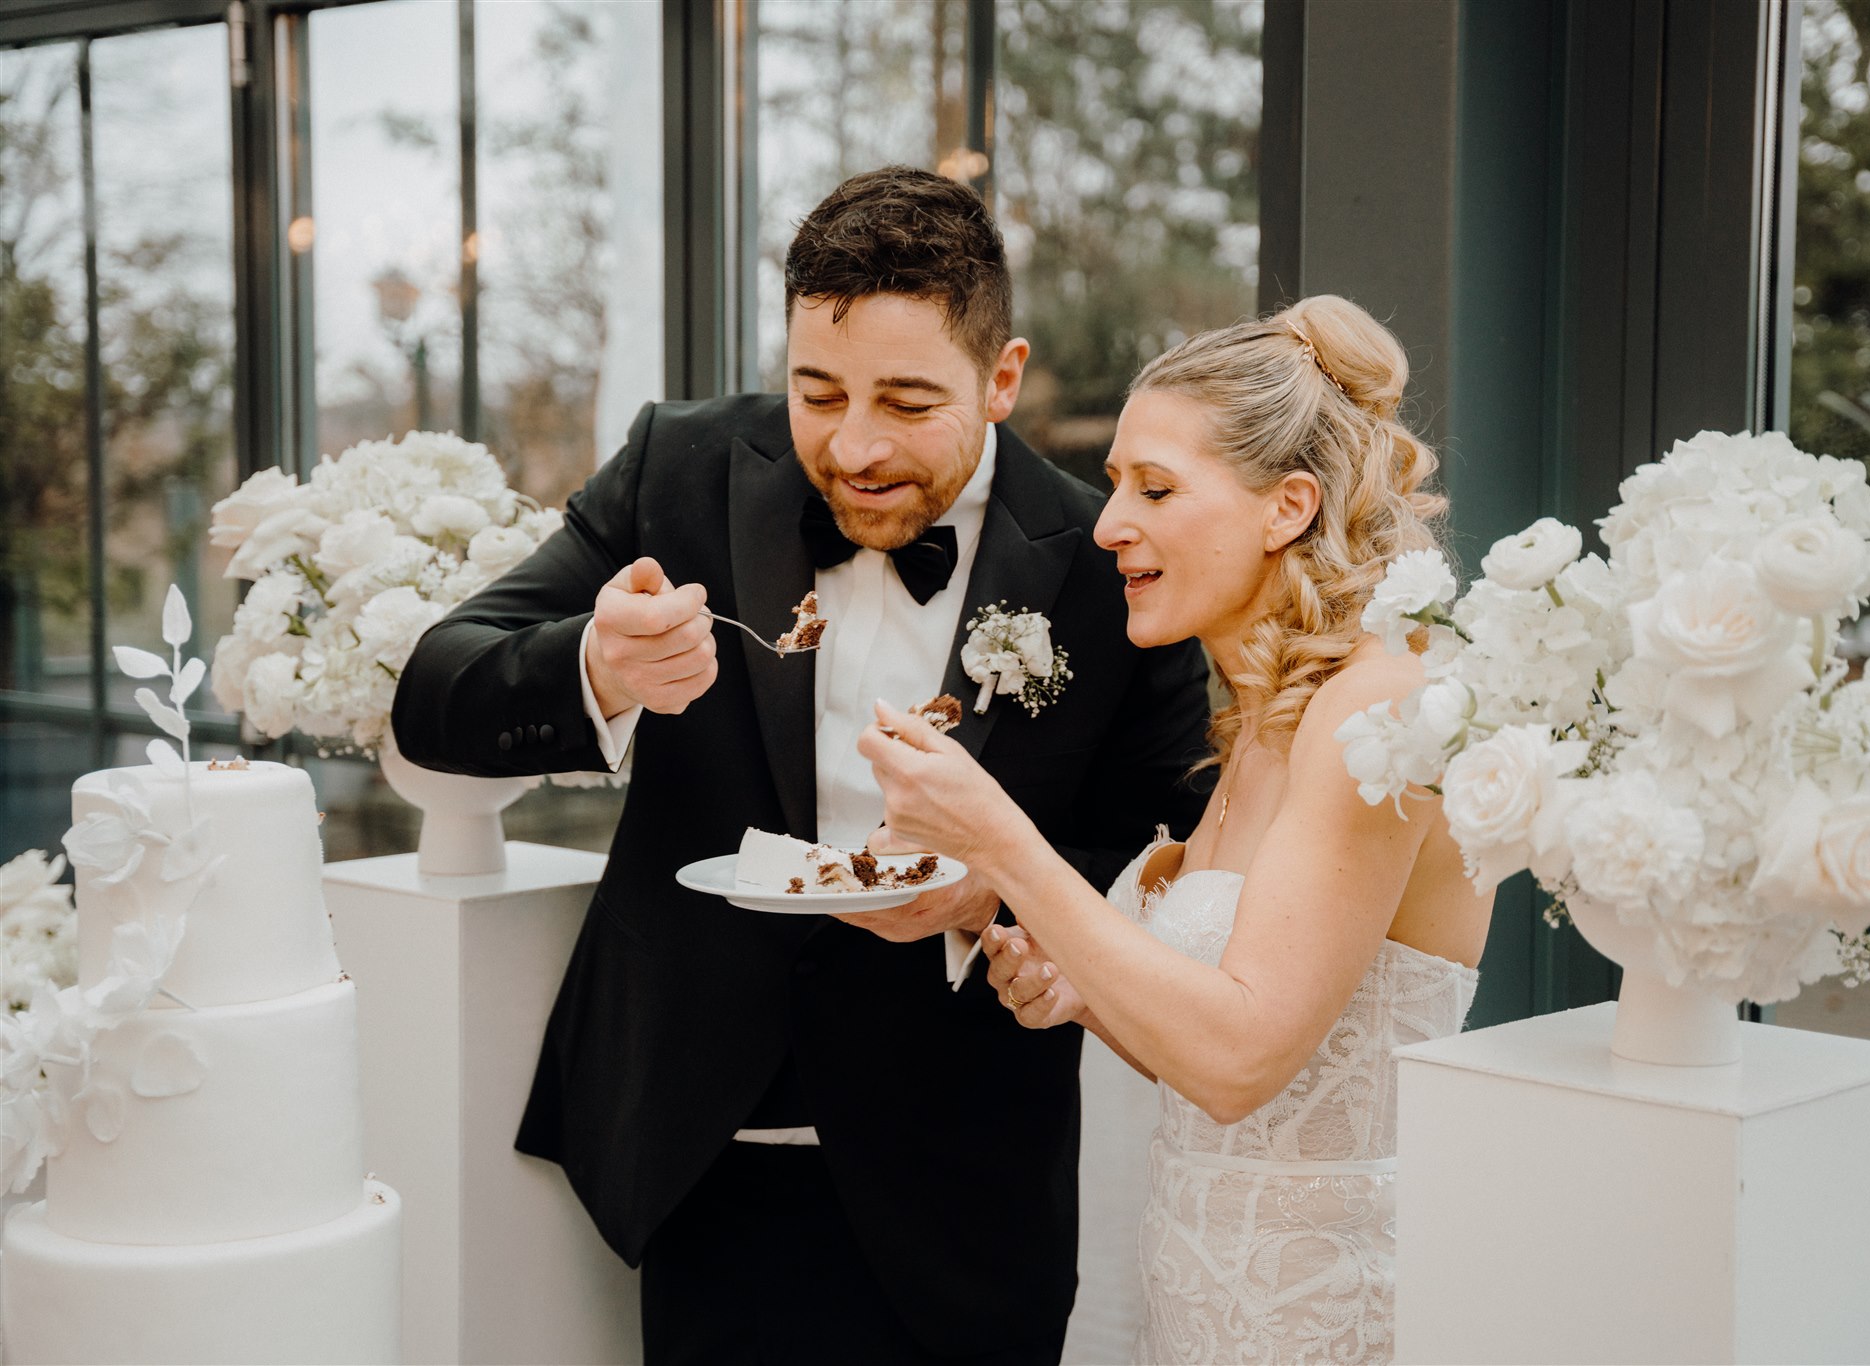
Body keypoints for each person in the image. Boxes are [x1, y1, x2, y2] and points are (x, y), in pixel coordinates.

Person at [389, 166, 1212, 1365]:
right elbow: (436, 691)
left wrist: (1000, 889)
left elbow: (1173, 851)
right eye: (815, 392)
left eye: (906, 400)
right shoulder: (680, 467)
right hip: (695, 1156)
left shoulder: (1100, 558)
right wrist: (597, 667)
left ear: (1002, 377)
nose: (855, 446)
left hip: (964, 1191)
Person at [858, 296, 1493, 1366]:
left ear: (1285, 507)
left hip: (1322, 1307)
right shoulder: (1258, 721)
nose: (1108, 525)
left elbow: (1238, 1058)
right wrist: (1077, 986)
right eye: (1112, 487)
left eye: (1152, 488)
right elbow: (1224, 1039)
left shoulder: (1378, 705)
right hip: (1194, 1289)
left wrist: (1004, 841)